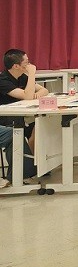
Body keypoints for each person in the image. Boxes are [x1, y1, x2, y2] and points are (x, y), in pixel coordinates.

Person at [0, 49, 49, 180]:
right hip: (5, 121)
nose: (30, 65)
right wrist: (32, 73)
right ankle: (21, 172)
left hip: (20, 117)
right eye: (26, 62)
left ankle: (37, 164)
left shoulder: (21, 77)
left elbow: (44, 90)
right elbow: (27, 96)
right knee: (18, 131)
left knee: (41, 126)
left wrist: (34, 95)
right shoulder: (3, 80)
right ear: (16, 66)